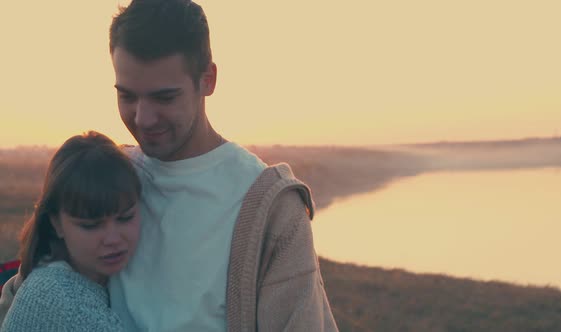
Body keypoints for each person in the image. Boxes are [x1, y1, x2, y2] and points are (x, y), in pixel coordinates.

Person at [2, 1, 338, 331]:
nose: (143, 118)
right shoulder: (113, 177)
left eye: (164, 97)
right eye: (127, 96)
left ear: (208, 80)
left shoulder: (270, 209)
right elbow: (30, 296)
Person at [0, 131, 141, 331]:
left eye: (125, 218)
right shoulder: (59, 296)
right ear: (56, 223)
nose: (113, 239)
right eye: (90, 225)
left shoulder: (77, 276)